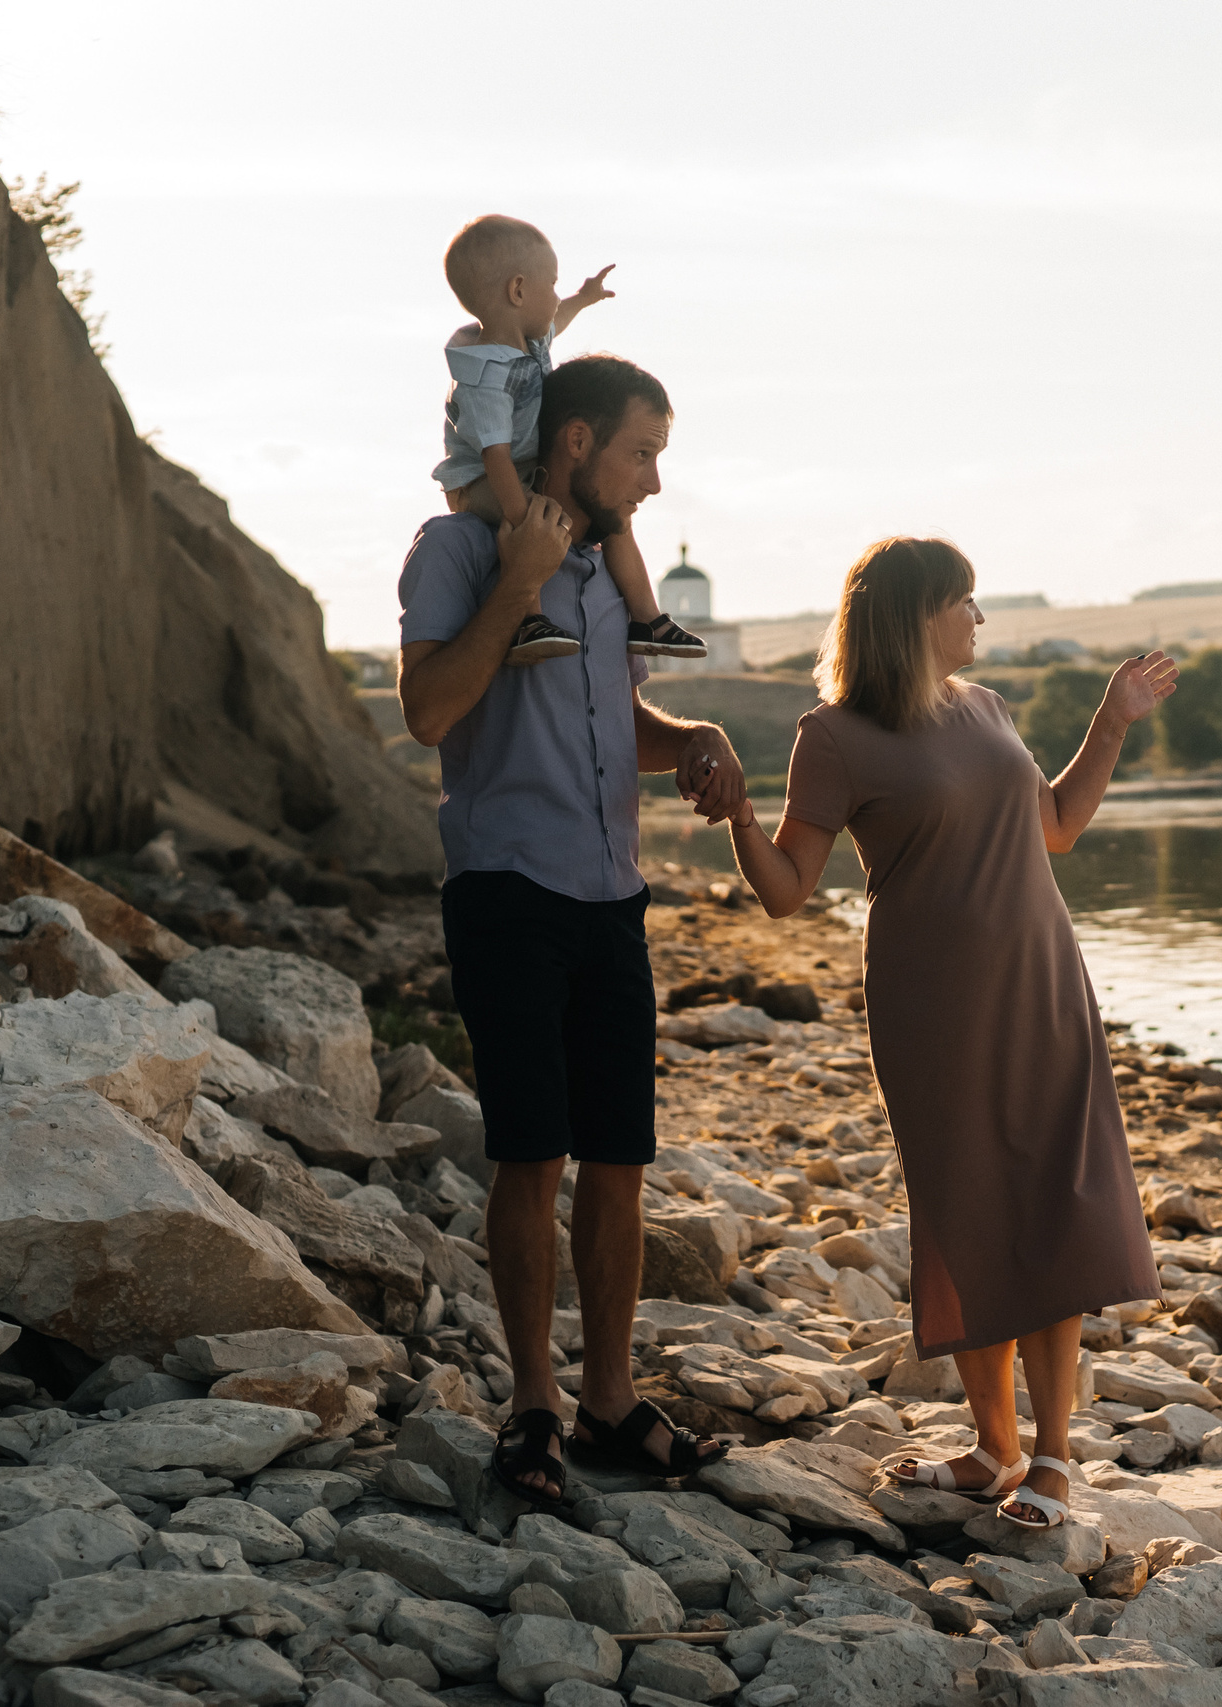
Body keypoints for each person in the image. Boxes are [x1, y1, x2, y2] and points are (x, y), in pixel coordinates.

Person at [724, 537, 1175, 1529]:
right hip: (932, 1003)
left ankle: (1052, 1457)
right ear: (913, 615)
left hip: (1042, 983)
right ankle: (992, 1448)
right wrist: (737, 823)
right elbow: (789, 892)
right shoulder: (833, 736)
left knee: (1055, 1202)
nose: (979, 620)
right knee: (970, 1210)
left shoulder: (987, 710)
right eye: (964, 602)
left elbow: (1053, 827)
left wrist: (1110, 721)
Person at [395, 353, 743, 1505]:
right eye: (642, 452)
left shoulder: (607, 575)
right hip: (506, 889)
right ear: (581, 442)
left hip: (611, 896)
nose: (652, 482)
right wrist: (519, 581)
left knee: (620, 1161)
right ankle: (534, 1407)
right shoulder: (454, 551)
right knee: (531, 1155)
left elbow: (609, 716)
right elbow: (432, 708)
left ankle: (607, 1402)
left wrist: (686, 733)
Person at [432, 214, 705, 666]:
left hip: (517, 467)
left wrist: (583, 297)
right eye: (553, 284)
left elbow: (557, 318)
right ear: (518, 291)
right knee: (531, 531)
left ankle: (648, 620)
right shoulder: (483, 377)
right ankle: (529, 621)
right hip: (480, 482)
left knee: (615, 522)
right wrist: (525, 517)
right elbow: (494, 456)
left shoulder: (529, 343)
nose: (557, 297)